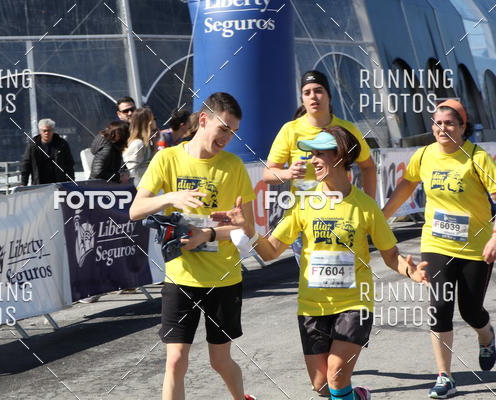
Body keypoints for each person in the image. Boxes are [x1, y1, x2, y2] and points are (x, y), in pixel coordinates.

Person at [213, 126, 428, 400]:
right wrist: (248, 230)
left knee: (336, 375)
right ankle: (358, 396)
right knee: (322, 386)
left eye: (319, 154)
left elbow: (391, 256)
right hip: (312, 306)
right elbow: (270, 252)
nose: (312, 160)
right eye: (311, 154)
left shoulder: (365, 206)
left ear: (340, 156)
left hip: (354, 304)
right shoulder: (303, 204)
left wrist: (410, 270)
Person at [129, 92, 258, 400]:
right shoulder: (167, 159)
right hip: (180, 277)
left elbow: (247, 230)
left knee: (220, 361)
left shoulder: (233, 167)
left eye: (233, 132)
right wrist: (170, 197)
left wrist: (208, 235)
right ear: (203, 120)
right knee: (175, 361)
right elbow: (136, 210)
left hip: (223, 278)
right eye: (223, 128)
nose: (227, 138)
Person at [382, 99, 496, 398]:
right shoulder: (424, 155)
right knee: (440, 307)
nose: (442, 128)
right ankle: (445, 376)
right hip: (436, 242)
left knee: (470, 311)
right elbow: (406, 186)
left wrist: (495, 236)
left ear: (462, 126)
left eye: (449, 123)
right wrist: (381, 218)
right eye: (438, 123)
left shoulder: (477, 158)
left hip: (474, 246)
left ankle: (486, 336)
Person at [262, 70, 377, 268]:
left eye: (318, 90)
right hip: (303, 218)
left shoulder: (347, 129)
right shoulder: (290, 130)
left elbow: (368, 167)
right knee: (313, 276)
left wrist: (369, 207)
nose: (313, 96)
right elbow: (267, 174)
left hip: (342, 216)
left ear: (329, 95)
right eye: (307, 93)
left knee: (343, 274)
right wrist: (287, 173)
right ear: (302, 99)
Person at [21, 118, 75, 186]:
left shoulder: (62, 144)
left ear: (53, 131)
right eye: (44, 131)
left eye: (49, 130)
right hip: (39, 184)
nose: (47, 133)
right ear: (40, 131)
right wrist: (23, 183)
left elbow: (69, 164)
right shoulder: (32, 145)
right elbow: (26, 164)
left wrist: (71, 182)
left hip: (58, 183)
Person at [123, 108, 157, 186]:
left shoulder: (147, 142)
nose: (155, 121)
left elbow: (152, 162)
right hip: (138, 185)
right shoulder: (138, 143)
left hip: (147, 182)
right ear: (149, 122)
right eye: (154, 119)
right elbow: (131, 170)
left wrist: (155, 144)